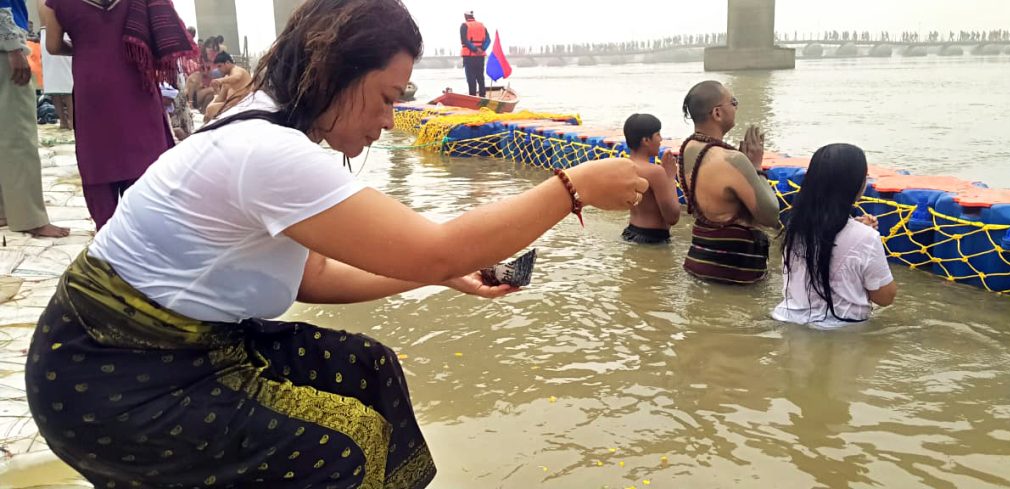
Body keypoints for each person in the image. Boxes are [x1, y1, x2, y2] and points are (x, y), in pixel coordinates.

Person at [25, 1, 648, 488]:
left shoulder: (264, 125)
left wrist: (443, 274)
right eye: (385, 99)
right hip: (114, 376)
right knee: (339, 451)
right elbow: (436, 247)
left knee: (366, 371)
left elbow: (313, 276)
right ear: (332, 72)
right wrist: (573, 187)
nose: (387, 121)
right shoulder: (268, 151)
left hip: (156, 351)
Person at [41, 0, 191, 231]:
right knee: (145, 156)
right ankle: (148, 231)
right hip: (136, 82)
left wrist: (82, 45)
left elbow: (52, 46)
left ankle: (109, 235)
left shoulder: (57, 2)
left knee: (99, 157)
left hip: (92, 86)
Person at [773, 143, 897, 328]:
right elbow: (885, 297)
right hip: (841, 330)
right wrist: (866, 236)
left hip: (786, 319)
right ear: (856, 185)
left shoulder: (794, 227)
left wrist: (858, 229)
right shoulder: (866, 238)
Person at [678, 80, 781, 284]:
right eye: (733, 102)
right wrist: (757, 168)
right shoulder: (731, 160)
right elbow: (770, 215)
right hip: (734, 273)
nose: (736, 107)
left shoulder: (688, 148)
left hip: (699, 261)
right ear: (717, 113)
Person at [0, 0, 69, 237]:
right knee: (17, 133)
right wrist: (13, 47)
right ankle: (29, 217)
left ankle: (5, 209)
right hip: (5, 45)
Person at [621, 113, 681, 244]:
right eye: (658, 134)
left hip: (630, 232)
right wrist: (670, 177)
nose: (661, 139)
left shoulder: (623, 166)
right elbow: (672, 217)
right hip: (653, 238)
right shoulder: (655, 172)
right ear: (646, 141)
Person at [39, 23, 73, 130]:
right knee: (69, 84)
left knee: (54, 83)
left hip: (46, 35)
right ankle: (72, 121)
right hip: (61, 33)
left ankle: (63, 121)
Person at [204, 51, 250, 121]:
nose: (219, 69)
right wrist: (216, 92)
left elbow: (236, 77)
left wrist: (220, 81)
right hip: (231, 105)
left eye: (220, 66)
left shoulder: (236, 69)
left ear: (227, 63)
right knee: (209, 108)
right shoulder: (227, 78)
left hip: (244, 104)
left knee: (211, 109)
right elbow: (220, 98)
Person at [459, 10, 489, 96]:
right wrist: (482, 49)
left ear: (465, 15)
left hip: (469, 57)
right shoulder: (482, 26)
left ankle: (472, 97)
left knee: (471, 78)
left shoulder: (464, 26)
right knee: (480, 77)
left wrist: (475, 49)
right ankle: (483, 96)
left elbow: (464, 40)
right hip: (480, 56)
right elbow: (488, 40)